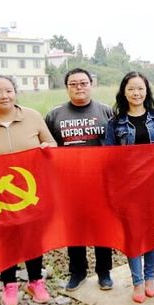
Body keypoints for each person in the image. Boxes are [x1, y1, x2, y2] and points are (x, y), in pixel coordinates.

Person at [0, 75, 57, 305]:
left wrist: (47, 148)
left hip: (32, 190)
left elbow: (52, 144)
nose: (4, 96)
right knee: (5, 238)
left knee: (33, 236)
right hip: (0, 196)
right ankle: (9, 284)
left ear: (15, 93)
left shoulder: (32, 116)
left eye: (8, 91)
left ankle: (35, 281)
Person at [45, 68, 115, 292]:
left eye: (83, 83)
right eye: (73, 84)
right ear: (67, 87)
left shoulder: (106, 111)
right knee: (74, 229)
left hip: (100, 182)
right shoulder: (55, 115)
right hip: (68, 184)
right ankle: (77, 272)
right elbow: (46, 147)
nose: (79, 87)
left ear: (91, 84)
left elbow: (118, 145)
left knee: (102, 227)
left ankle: (104, 272)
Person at [105, 71, 154, 303]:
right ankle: (137, 281)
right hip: (128, 189)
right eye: (131, 88)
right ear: (124, 92)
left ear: (146, 91)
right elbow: (109, 159)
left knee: (150, 231)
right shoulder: (115, 123)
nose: (136, 93)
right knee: (132, 234)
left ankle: (150, 278)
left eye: (140, 88)